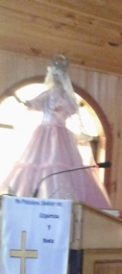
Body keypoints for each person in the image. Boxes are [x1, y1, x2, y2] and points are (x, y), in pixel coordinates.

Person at [0, 55, 111, 209]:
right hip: (44, 133)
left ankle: (60, 203)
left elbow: (72, 108)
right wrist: (28, 103)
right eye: (55, 76)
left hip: (60, 134)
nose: (57, 79)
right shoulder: (49, 93)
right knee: (37, 164)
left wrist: (60, 110)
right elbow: (36, 103)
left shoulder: (65, 96)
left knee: (61, 166)